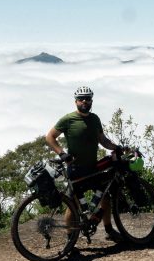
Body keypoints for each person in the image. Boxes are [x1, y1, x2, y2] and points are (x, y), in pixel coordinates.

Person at [45, 85, 124, 242]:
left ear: (91, 101)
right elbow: (50, 137)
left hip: (92, 168)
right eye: (81, 99)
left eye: (87, 99)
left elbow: (103, 140)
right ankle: (70, 241)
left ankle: (109, 230)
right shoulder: (68, 119)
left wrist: (117, 147)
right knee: (72, 206)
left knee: (105, 198)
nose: (84, 102)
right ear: (75, 102)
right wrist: (62, 153)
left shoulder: (95, 119)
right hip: (75, 170)